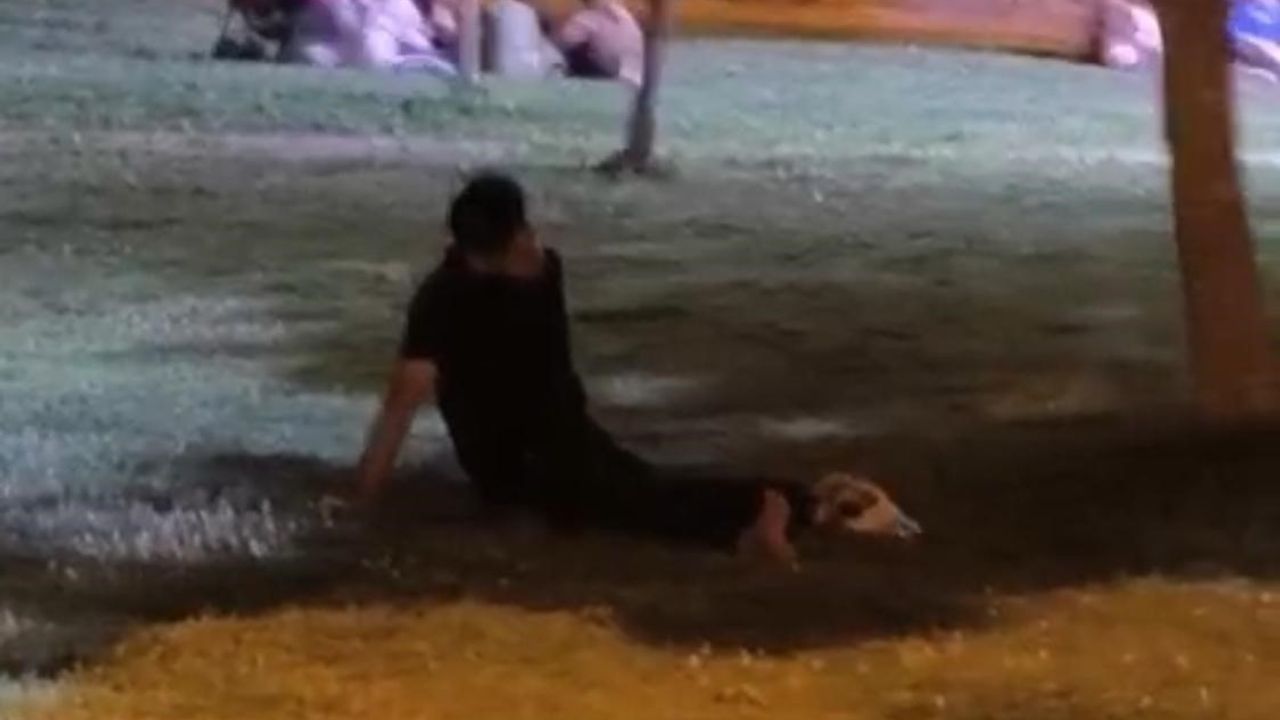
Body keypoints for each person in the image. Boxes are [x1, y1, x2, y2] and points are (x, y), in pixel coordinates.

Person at [353, 174, 804, 563]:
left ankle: (766, 504)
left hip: (535, 450)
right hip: (537, 445)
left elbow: (402, 407)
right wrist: (366, 500)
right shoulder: (517, 275)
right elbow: (401, 405)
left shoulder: (466, 292)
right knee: (637, 492)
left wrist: (363, 504)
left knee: (634, 503)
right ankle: (791, 502)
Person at [554, 0, 643, 86]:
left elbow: (561, 44)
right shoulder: (627, 13)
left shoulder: (587, 19)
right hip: (635, 76)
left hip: (618, 79)